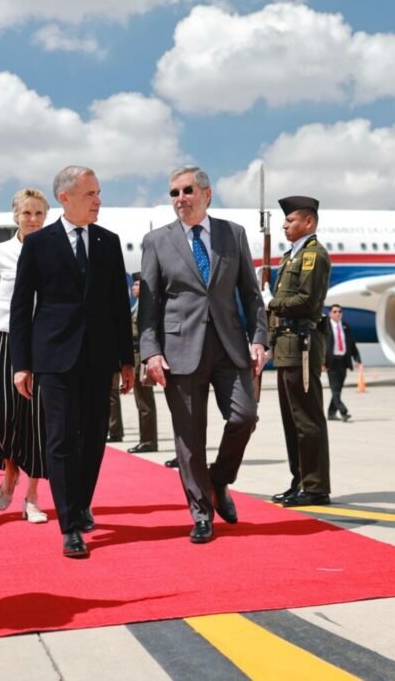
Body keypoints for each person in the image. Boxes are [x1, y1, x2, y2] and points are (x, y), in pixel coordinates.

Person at [138, 166, 267, 544]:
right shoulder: (156, 241)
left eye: (187, 191)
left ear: (207, 194)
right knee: (189, 438)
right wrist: (150, 352)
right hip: (179, 350)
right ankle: (201, 514)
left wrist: (259, 338)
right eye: (174, 193)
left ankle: (219, 480)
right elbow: (149, 306)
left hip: (230, 346)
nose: (180, 199)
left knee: (244, 416)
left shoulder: (233, 234)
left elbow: (251, 294)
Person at [10, 167, 134, 558]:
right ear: (65, 197)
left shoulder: (108, 242)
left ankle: (80, 505)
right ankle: (70, 525)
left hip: (99, 357)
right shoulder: (38, 244)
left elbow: (119, 305)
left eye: (98, 193)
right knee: (61, 439)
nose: (98, 201)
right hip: (54, 357)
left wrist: (127, 359)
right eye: (90, 194)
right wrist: (21, 363)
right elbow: (20, 307)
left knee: (94, 438)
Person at [0, 188, 51, 524]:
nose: (32, 219)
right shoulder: (0, 253)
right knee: (4, 417)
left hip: (44, 341)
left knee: (38, 419)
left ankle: (32, 496)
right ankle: (9, 471)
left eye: (39, 214)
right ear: (15, 216)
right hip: (7, 339)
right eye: (27, 213)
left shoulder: (53, 250)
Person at [268, 196, 333, 507]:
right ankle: (300, 481)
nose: (285, 225)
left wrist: (272, 302)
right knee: (292, 420)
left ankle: (316, 486)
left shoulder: (313, 255)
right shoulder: (290, 256)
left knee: (307, 419)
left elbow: (307, 300)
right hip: (286, 344)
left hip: (302, 343)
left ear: (308, 222)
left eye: (290, 220)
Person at [126, 274, 158, 454]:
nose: (133, 287)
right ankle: (144, 438)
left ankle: (148, 440)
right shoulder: (137, 306)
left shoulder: (146, 307)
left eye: (137, 284)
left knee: (145, 401)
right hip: (136, 356)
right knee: (140, 401)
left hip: (143, 356)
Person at [323, 304, 361, 422]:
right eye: (335, 312)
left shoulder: (345, 326)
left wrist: (357, 359)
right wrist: (322, 362)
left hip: (343, 361)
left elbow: (352, 344)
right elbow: (321, 346)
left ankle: (331, 413)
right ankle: (343, 411)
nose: (338, 313)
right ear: (330, 314)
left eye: (339, 311)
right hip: (331, 362)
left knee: (338, 389)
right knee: (335, 389)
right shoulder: (326, 327)